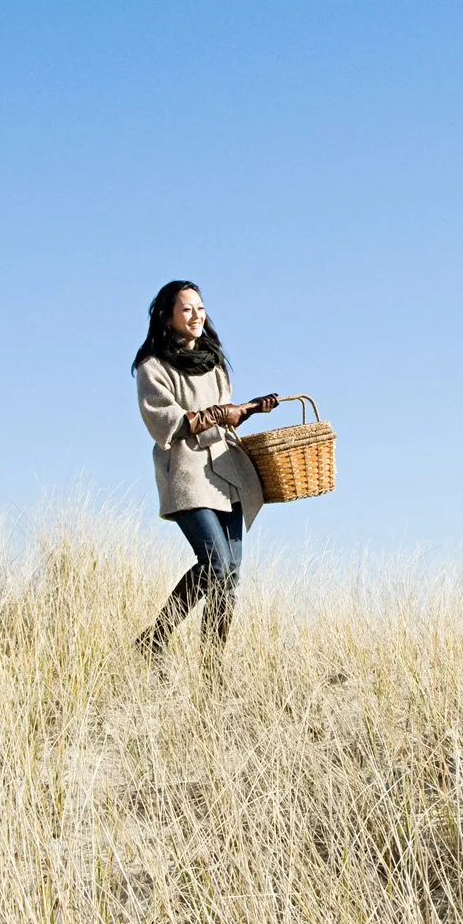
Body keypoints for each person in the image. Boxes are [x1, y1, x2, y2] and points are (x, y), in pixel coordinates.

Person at [131, 280, 278, 669]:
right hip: (186, 474)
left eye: (200, 308)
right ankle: (156, 637)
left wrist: (250, 409)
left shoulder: (214, 360)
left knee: (229, 577)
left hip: (226, 473)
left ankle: (212, 670)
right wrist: (218, 415)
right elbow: (166, 424)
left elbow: (225, 414)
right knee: (214, 563)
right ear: (167, 317)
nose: (197, 316)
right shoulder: (152, 367)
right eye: (187, 310)